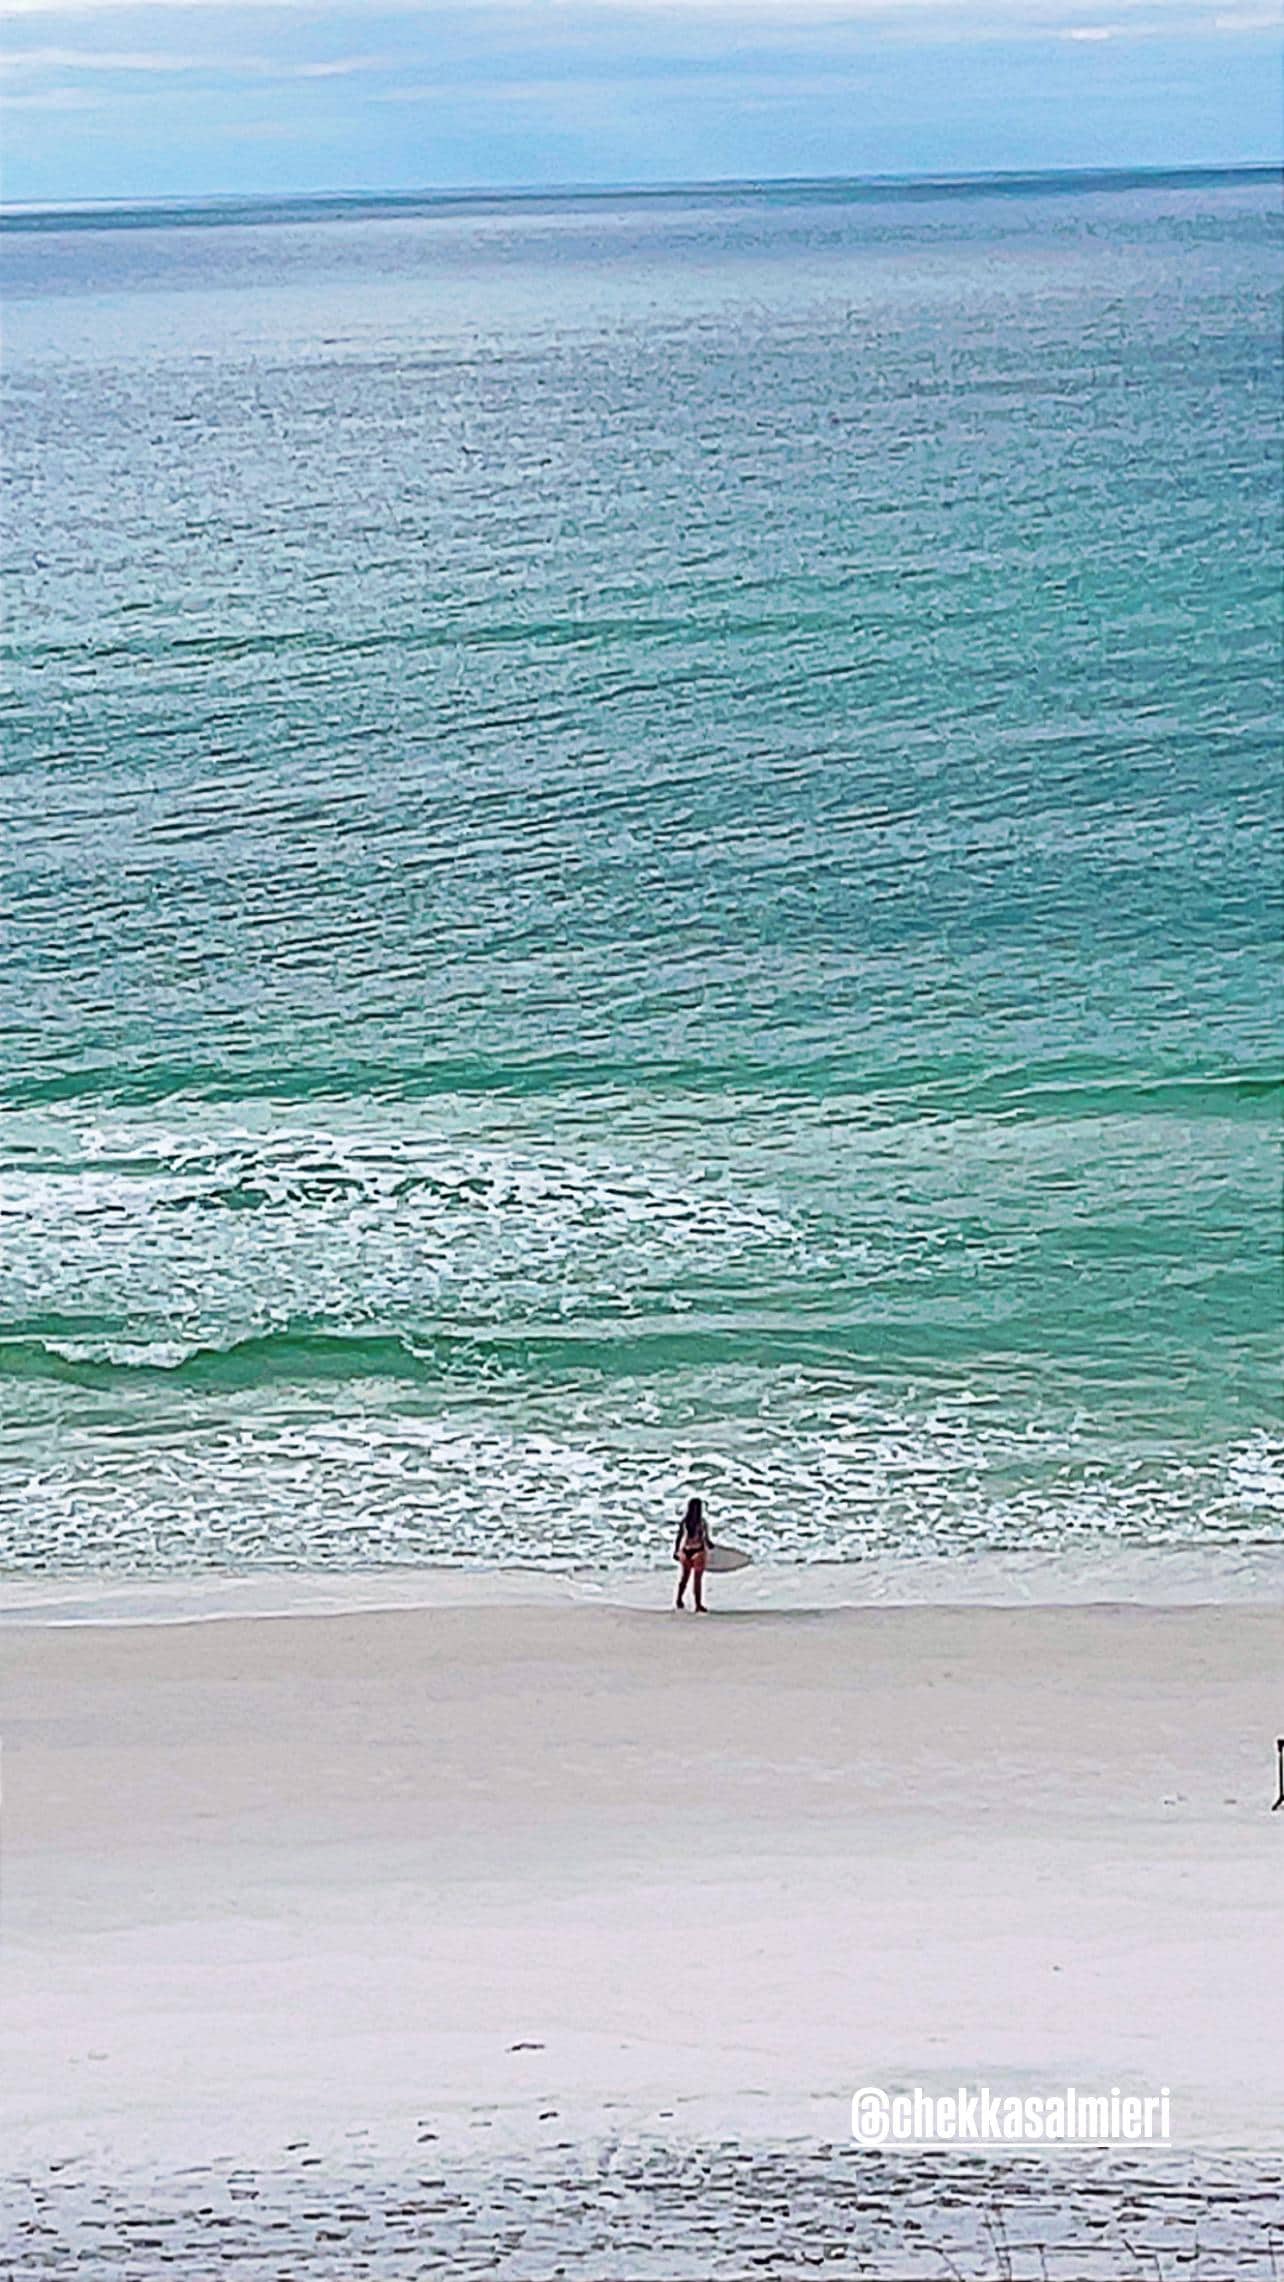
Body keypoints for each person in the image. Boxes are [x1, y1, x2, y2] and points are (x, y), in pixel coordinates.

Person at [674, 1495, 711, 1612]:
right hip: (698, 1552)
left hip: (686, 1552)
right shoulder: (702, 1523)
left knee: (685, 1578)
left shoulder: (685, 1522)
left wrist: (676, 1551)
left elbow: (679, 1538)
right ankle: (697, 1605)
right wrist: (711, 1546)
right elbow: (706, 1540)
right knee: (696, 1580)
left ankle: (679, 1600)